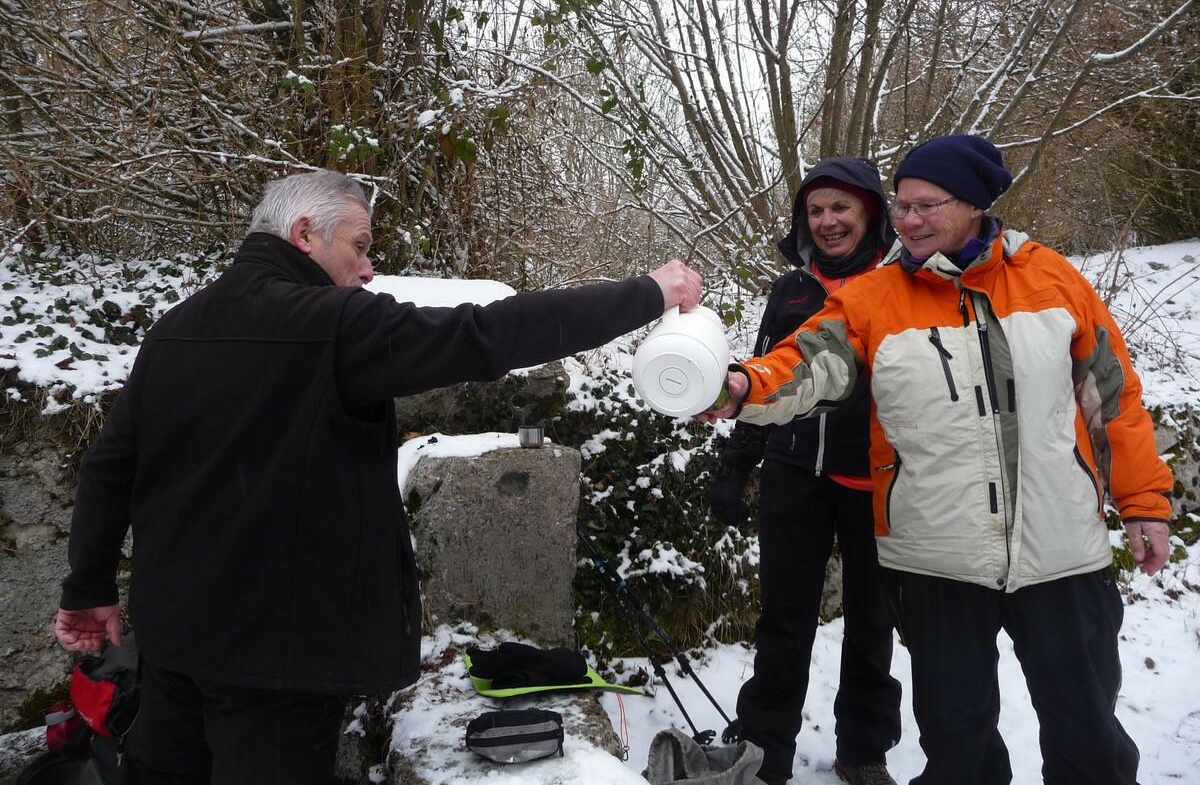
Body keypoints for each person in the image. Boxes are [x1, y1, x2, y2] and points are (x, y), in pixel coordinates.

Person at [55, 170, 703, 784]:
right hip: (280, 663)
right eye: (359, 246)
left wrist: (89, 586)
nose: (366, 269)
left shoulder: (176, 329)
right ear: (305, 234)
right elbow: (487, 334)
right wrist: (649, 293)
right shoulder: (334, 324)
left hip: (172, 642)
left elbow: (110, 465)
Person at [702, 135, 1172, 784]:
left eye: (927, 205)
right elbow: (805, 362)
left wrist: (1144, 503)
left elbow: (1113, 400)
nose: (910, 220)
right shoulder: (876, 297)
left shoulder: (1052, 279)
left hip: (1060, 551)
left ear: (975, 205)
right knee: (957, 748)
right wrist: (740, 388)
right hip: (939, 561)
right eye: (903, 206)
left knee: (1088, 737)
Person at [710, 157, 901, 785]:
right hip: (794, 473)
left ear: (870, 213)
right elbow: (761, 378)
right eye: (816, 210)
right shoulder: (789, 292)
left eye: (841, 207)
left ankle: (863, 752)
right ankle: (765, 750)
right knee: (783, 619)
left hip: (875, 480)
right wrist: (736, 467)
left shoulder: (899, 288)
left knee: (872, 623)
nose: (828, 221)